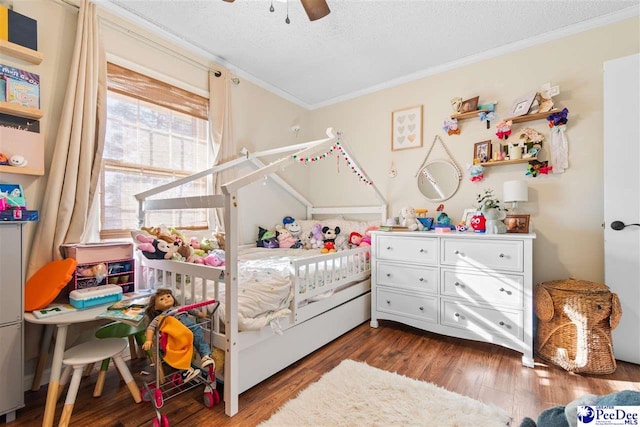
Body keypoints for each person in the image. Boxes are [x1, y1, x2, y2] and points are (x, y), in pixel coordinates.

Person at [142, 288, 214, 382]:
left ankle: (205, 356)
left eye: (168, 296)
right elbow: (150, 328)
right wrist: (148, 340)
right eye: (162, 299)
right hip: (177, 336)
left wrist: (202, 315)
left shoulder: (180, 308)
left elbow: (193, 310)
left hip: (191, 329)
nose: (166, 299)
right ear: (155, 307)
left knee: (199, 339)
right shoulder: (160, 317)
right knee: (179, 352)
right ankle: (185, 371)